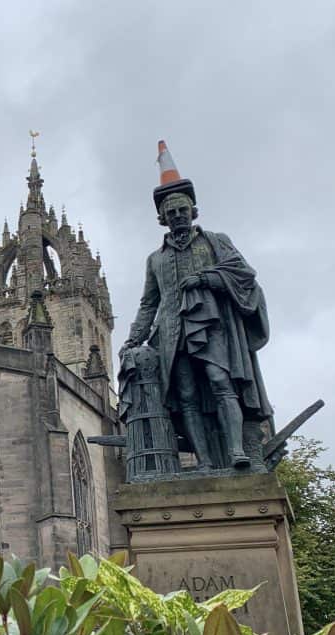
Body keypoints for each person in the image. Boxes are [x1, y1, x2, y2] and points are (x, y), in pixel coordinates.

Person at [120, 141, 272, 470]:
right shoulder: (156, 259)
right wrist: (133, 340)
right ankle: (203, 462)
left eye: (182, 210)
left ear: (193, 211)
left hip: (211, 325)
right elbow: (149, 303)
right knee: (186, 396)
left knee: (221, 382)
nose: (177, 216)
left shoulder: (215, 241)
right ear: (162, 218)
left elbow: (243, 273)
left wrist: (207, 278)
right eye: (171, 212)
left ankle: (236, 453)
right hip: (172, 333)